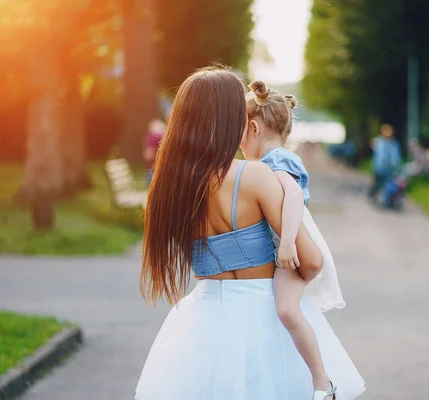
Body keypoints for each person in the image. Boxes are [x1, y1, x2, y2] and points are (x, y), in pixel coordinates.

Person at [135, 67, 365, 400]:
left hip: (202, 321)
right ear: (233, 121)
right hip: (264, 319)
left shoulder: (169, 186)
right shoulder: (255, 176)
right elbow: (310, 260)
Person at [240, 80, 347, 398]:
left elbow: (294, 196)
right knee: (278, 315)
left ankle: (322, 382)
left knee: (287, 311)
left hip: (293, 251)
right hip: (283, 248)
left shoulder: (277, 162)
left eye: (239, 131)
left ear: (254, 129)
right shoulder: (270, 160)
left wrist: (287, 242)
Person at [368, 124, 401, 199]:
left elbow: (395, 156)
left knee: (387, 183)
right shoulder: (379, 141)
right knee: (377, 182)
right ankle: (372, 195)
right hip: (379, 167)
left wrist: (396, 165)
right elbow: (376, 153)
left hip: (390, 168)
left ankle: (385, 199)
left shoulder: (394, 143)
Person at [143, 118, 165, 184]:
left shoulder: (152, 137)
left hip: (153, 170)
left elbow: (148, 154)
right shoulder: (163, 135)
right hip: (162, 169)